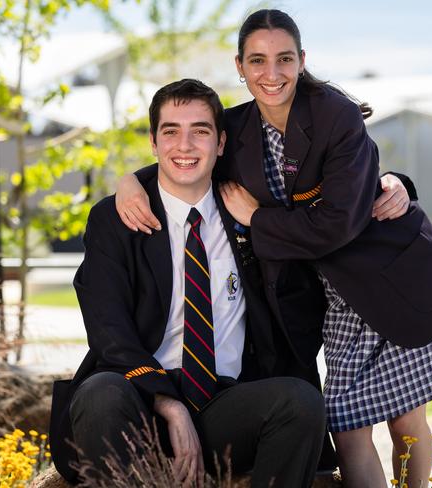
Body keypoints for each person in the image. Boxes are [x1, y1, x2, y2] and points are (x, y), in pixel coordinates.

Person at [114, 9, 432, 488]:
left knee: (405, 422)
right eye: (257, 61)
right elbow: (188, 155)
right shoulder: (239, 127)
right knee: (349, 425)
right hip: (338, 297)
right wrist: (128, 182)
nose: (271, 74)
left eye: (283, 59)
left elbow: (338, 224)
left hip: (392, 276)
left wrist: (259, 219)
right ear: (239, 66)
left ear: (301, 60)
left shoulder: (333, 112)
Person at [49, 79, 328, 488]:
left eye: (200, 131)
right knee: (100, 391)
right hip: (137, 402)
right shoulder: (117, 219)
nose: (185, 146)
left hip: (224, 406)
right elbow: (108, 330)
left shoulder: (249, 215)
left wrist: (395, 185)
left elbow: (335, 197)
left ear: (220, 143)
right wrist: (169, 402)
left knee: (300, 402)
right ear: (153, 141)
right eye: (171, 131)